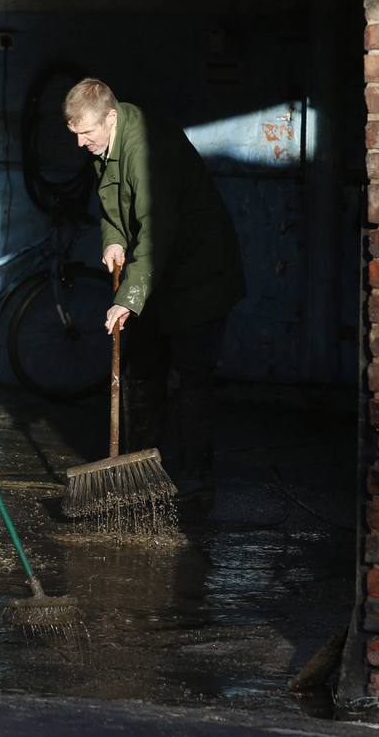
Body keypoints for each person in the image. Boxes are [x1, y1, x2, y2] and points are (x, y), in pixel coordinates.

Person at [64, 78, 244, 497]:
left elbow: (157, 232)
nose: (80, 144)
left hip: (199, 275)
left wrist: (127, 297)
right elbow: (114, 203)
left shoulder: (148, 148)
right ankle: (141, 469)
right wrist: (111, 236)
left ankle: (196, 474)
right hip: (156, 277)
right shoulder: (105, 143)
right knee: (142, 371)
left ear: (110, 116)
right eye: (74, 134)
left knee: (192, 376)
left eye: (86, 133)